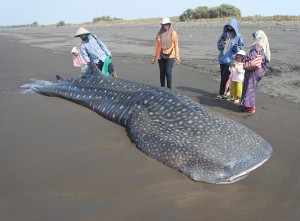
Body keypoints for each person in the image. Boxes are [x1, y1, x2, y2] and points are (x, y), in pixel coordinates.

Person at [240, 30, 271, 113]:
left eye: (255, 36)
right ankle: (247, 105)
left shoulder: (257, 45)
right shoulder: (264, 46)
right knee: (252, 87)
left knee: (249, 87)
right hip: (260, 70)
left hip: (254, 70)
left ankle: (250, 107)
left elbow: (251, 56)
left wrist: (243, 58)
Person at [216, 18, 244, 99]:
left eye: (232, 27)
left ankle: (221, 93)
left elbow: (241, 49)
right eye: (229, 27)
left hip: (231, 60)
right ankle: (227, 91)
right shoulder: (224, 34)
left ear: (235, 27)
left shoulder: (238, 36)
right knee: (224, 77)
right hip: (222, 59)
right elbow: (218, 46)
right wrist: (222, 44)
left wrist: (236, 47)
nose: (230, 29)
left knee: (225, 77)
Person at [151, 17, 181, 89]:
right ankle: (162, 88)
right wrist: (154, 57)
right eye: (164, 25)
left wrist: (177, 57)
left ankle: (169, 89)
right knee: (162, 73)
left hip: (171, 55)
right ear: (162, 25)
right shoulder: (159, 34)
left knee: (168, 72)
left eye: (167, 25)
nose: (166, 26)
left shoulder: (173, 33)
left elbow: (176, 45)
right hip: (160, 55)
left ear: (169, 25)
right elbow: (156, 46)